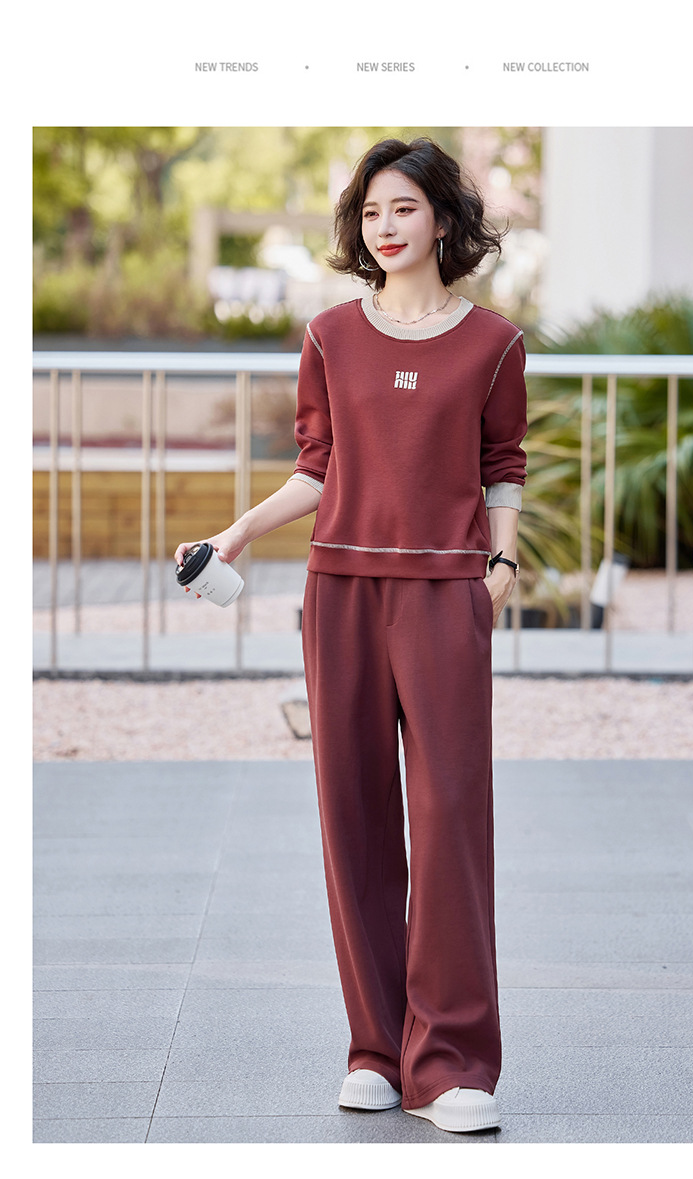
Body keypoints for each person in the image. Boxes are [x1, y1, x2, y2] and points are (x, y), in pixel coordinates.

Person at [175, 137, 528, 1135]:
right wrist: (236, 533)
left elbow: (503, 464)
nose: (386, 225)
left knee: (450, 817)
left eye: (405, 207)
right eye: (372, 210)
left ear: (444, 220)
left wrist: (501, 565)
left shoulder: (494, 344)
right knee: (355, 818)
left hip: (446, 594)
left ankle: (451, 1062)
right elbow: (318, 464)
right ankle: (375, 1047)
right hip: (341, 593)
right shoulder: (329, 336)